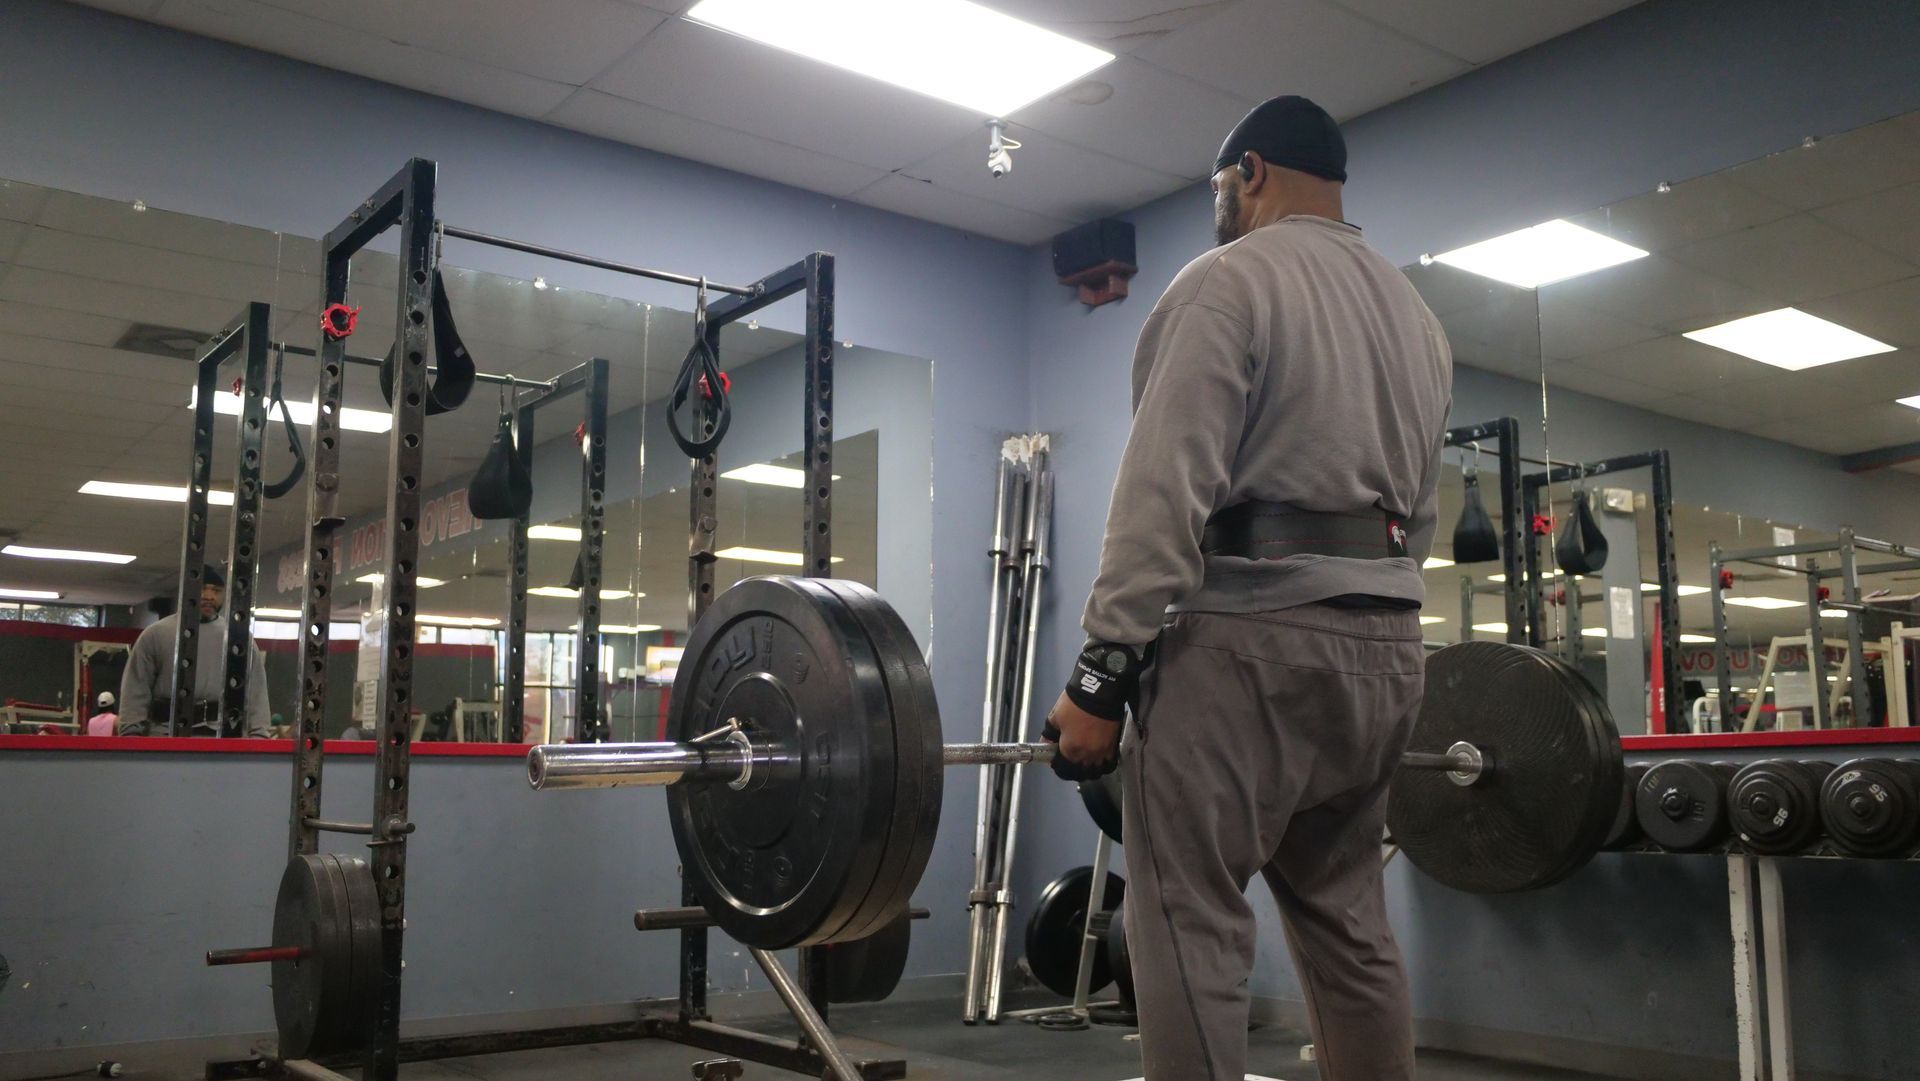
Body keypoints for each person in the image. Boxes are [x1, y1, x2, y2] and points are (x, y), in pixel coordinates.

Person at [1042, 96, 1452, 1081]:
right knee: (1350, 925)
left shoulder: (1227, 281)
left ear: (1252, 172)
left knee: (1189, 922)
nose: (1218, 208)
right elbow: (1421, 518)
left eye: (1219, 188)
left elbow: (1163, 491)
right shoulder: (1418, 318)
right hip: (1386, 651)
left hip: (1246, 648)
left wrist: (1101, 674)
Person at [119, 565, 272, 737]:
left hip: (221, 737)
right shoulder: (155, 634)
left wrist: (259, 736)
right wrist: (130, 735)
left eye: (216, 591)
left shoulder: (239, 637)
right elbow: (136, 688)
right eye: (202, 589)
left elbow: (256, 691)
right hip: (165, 735)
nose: (209, 596)